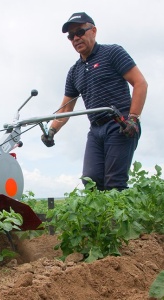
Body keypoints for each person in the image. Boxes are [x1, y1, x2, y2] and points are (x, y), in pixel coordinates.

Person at [41, 12, 148, 191]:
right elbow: (66, 108)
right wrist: (52, 131)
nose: (75, 38)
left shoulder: (113, 52)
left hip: (120, 124)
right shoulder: (74, 71)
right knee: (91, 180)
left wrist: (133, 118)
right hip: (96, 129)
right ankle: (101, 219)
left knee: (114, 183)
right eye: (70, 36)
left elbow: (140, 83)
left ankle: (118, 219)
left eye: (80, 32)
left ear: (94, 31)